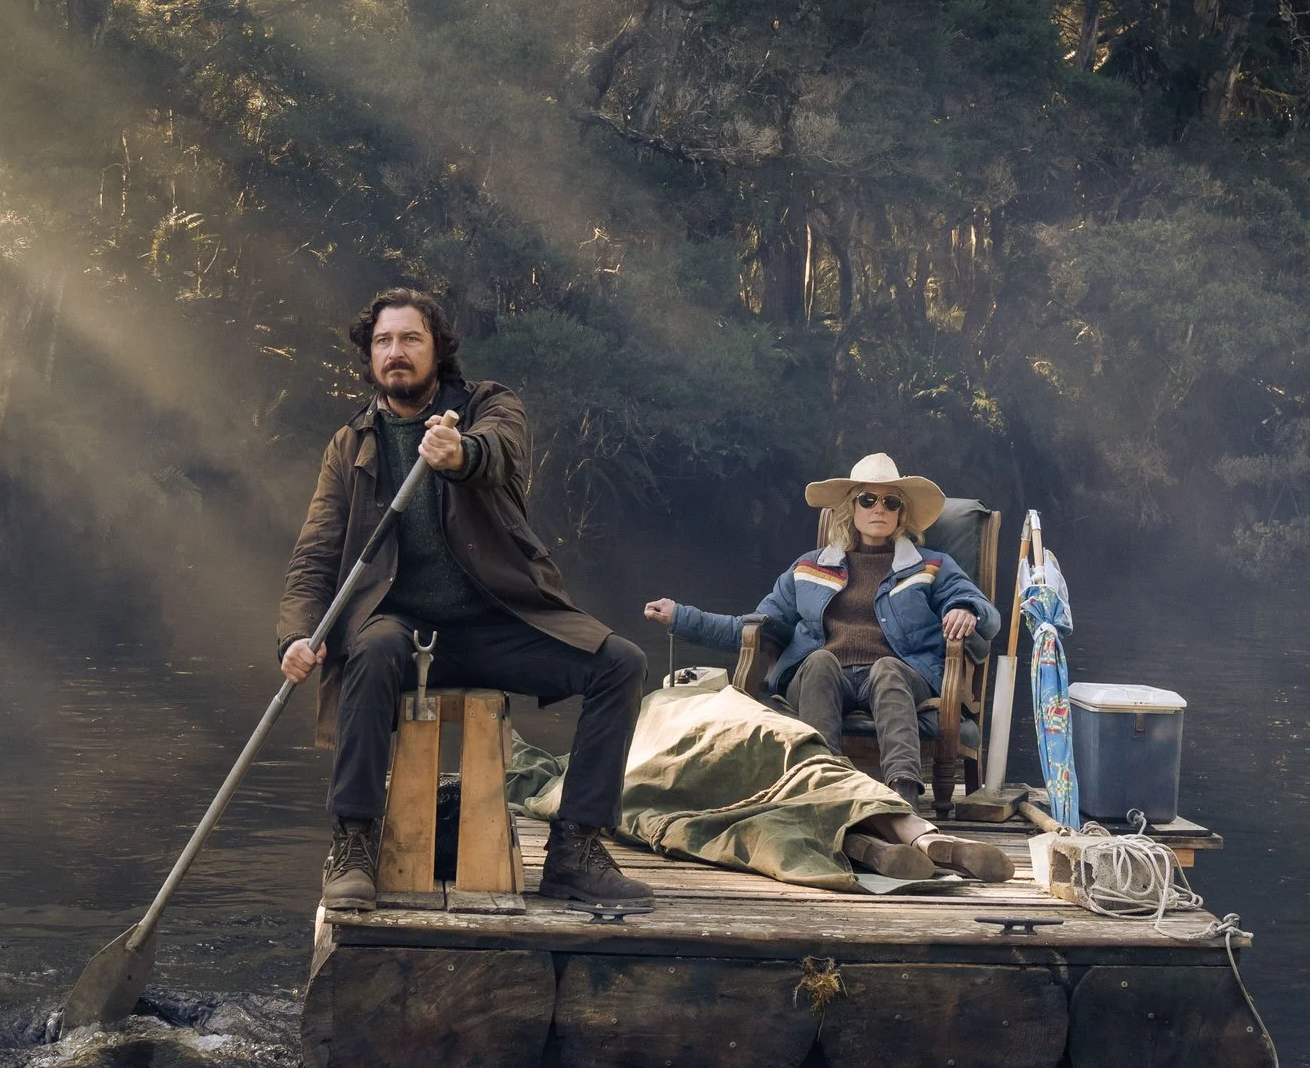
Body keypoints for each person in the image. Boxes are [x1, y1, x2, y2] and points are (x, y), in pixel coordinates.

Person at [279, 287, 651, 914]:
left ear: (438, 349)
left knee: (621, 662)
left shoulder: (484, 406)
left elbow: (500, 452)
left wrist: (460, 454)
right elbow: (315, 553)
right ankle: (353, 842)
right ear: (370, 357)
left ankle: (575, 849)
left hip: (495, 617)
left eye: (410, 339)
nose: (395, 352)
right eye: (383, 342)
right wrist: (295, 634)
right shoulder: (352, 444)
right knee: (367, 651)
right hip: (397, 624)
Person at [643, 452, 1003, 881]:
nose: (879, 510)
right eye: (869, 499)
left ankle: (902, 799)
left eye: (891, 503)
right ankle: (830, 794)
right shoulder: (809, 567)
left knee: (888, 670)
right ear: (851, 507)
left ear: (902, 514)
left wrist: (965, 608)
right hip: (825, 674)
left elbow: (986, 612)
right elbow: (755, 626)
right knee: (817, 662)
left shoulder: (933, 565)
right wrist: (682, 617)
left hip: (899, 674)